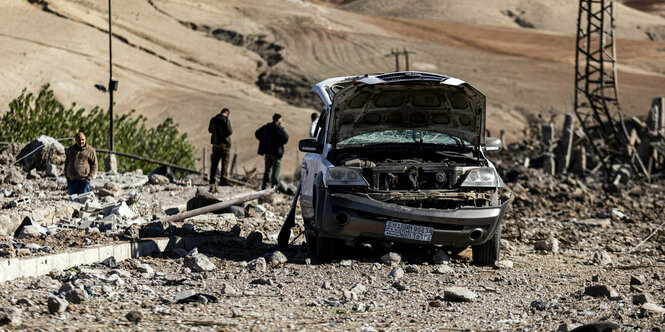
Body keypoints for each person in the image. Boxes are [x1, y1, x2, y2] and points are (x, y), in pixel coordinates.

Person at [255, 113, 289, 189]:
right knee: (276, 171)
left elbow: (257, 133)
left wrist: (264, 141)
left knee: (267, 171)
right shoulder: (278, 128)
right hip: (276, 153)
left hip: (268, 152)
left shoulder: (267, 127)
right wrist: (280, 144)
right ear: (278, 119)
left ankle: (264, 187)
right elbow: (286, 137)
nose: (281, 120)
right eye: (281, 118)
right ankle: (274, 189)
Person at [208, 108, 233, 186]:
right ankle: (223, 180)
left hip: (215, 144)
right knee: (225, 163)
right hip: (225, 145)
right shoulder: (226, 120)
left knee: (214, 163)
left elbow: (210, 130)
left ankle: (212, 179)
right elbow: (230, 131)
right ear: (227, 114)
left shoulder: (213, 119)